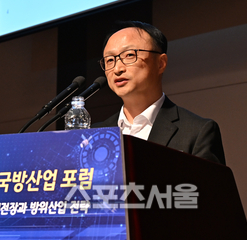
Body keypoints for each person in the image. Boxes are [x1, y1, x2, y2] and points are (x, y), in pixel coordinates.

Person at [94, 21, 226, 165]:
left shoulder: (197, 132)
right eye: (110, 60)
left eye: (129, 55)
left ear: (161, 63)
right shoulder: (93, 134)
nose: (117, 68)